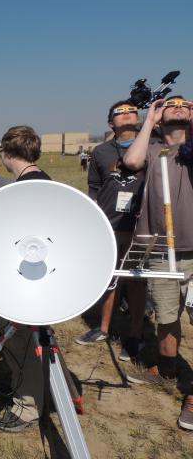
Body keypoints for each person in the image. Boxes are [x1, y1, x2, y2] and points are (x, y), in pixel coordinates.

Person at [123, 96, 193, 430]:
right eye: (172, 104)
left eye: (185, 104)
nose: (179, 106)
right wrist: (149, 119)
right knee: (166, 318)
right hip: (160, 251)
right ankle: (166, 370)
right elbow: (131, 161)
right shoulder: (152, 150)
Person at [74, 100, 146, 362]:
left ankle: (136, 335)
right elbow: (93, 189)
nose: (128, 114)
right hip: (109, 226)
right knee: (110, 278)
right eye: (121, 112)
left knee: (137, 281)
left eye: (132, 111)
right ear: (110, 123)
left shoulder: (151, 146)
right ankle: (104, 328)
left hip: (140, 226)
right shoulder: (101, 152)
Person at [0, 126, 50, 432]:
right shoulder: (44, 182)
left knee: (19, 341)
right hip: (38, 279)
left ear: (6, 153)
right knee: (35, 341)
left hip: (25, 284)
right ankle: (46, 391)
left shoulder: (25, 188)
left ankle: (27, 408)